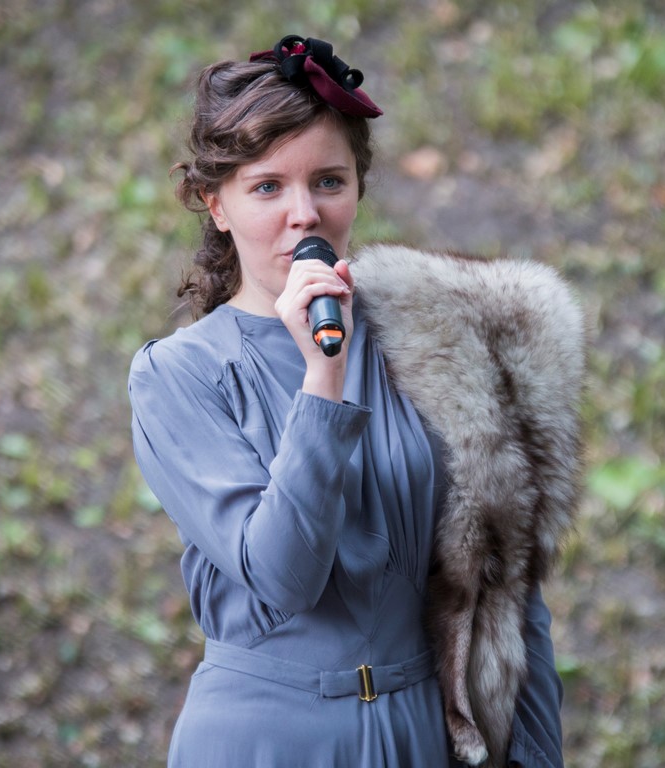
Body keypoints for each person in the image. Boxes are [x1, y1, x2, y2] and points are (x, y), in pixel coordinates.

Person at [128, 34, 581, 767]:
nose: (304, 212)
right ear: (217, 205)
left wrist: (535, 754)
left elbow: (506, 588)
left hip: (419, 735)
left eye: (328, 181)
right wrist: (324, 376)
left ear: (357, 190)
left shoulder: (437, 339)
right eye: (267, 187)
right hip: (266, 741)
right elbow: (284, 575)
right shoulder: (179, 376)